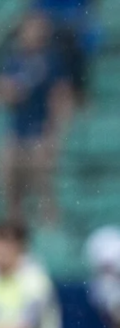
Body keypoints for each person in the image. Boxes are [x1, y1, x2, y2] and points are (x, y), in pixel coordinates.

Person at [1, 11, 71, 226]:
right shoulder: (14, 61)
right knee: (11, 186)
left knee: (44, 187)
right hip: (17, 132)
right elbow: (7, 93)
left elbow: (60, 98)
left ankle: (49, 229)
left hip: (40, 132)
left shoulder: (52, 62)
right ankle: (15, 229)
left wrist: (55, 134)